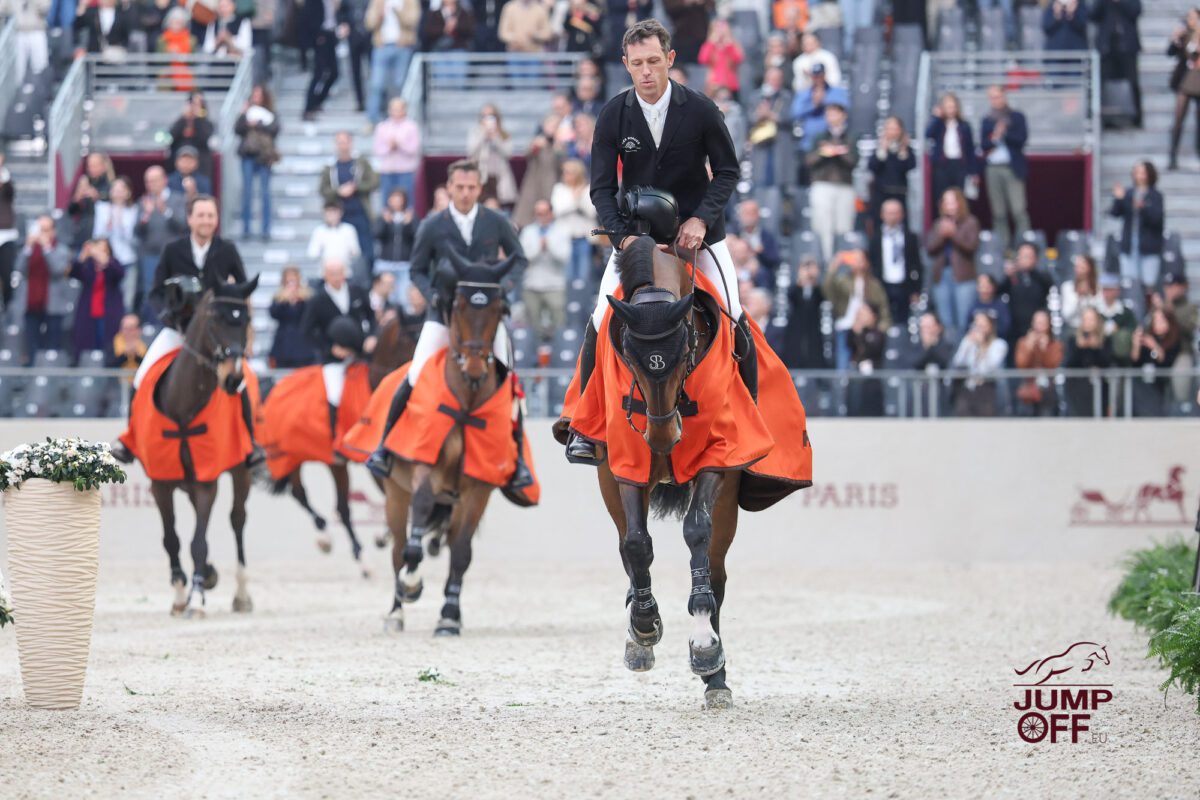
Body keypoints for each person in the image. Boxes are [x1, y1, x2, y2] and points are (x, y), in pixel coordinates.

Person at [567, 19, 742, 462]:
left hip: (699, 236)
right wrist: (622, 239)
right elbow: (601, 189)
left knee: (735, 316)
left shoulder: (701, 109)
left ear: (670, 60)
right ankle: (585, 429)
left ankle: (747, 410)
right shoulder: (613, 114)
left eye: (653, 62)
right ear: (625, 65)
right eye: (637, 64)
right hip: (637, 237)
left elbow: (727, 172)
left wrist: (702, 220)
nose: (646, 71)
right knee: (599, 317)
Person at [362, 159, 532, 491]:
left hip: (485, 319)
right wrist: (432, 296)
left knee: (510, 380)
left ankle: (520, 460)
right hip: (443, 315)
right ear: (449, 188)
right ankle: (384, 446)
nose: (466, 193)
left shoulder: (496, 221)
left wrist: (502, 289)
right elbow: (417, 270)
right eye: (460, 187)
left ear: (479, 189)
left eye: (471, 188)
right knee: (414, 374)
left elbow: (519, 259)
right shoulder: (432, 225)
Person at [318, 131, 380, 273]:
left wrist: (356, 187)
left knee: (366, 252)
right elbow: (323, 189)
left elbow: (374, 182)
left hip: (360, 212)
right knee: (340, 252)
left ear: (351, 143)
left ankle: (367, 281)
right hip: (339, 215)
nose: (343, 146)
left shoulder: (361, 163)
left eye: (345, 142)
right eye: (339, 142)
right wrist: (338, 191)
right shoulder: (330, 166)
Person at [979, 86, 1030, 257]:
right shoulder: (987, 120)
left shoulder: (1016, 117)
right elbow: (984, 145)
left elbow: (1021, 139)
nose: (996, 100)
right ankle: (1002, 250)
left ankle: (1024, 248)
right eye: (992, 97)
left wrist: (1004, 133)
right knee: (998, 212)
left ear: (1005, 97)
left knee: (1018, 210)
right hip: (993, 169)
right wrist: (995, 137)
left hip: (1011, 168)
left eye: (998, 96)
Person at [823, 249, 891, 370]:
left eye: (860, 259)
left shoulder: (874, 285)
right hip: (845, 327)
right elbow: (828, 291)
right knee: (843, 361)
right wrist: (834, 267)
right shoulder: (843, 281)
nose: (856, 262)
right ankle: (842, 384)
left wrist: (881, 328)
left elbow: (883, 307)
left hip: (867, 332)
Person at [15, 215, 71, 365]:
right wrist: (27, 248)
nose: (41, 234)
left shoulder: (61, 250)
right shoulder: (29, 249)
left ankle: (52, 377)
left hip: (52, 304)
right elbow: (19, 269)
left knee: (53, 345)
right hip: (31, 303)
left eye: (45, 230)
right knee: (32, 345)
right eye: (40, 229)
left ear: (53, 231)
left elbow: (57, 270)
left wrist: (47, 248)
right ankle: (34, 378)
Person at [134, 166, 187, 320]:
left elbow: (183, 226)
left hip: (173, 258)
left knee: (173, 291)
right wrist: (146, 215)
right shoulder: (143, 202)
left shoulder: (177, 199)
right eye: (148, 181)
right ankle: (152, 327)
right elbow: (137, 232)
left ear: (164, 180)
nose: (151, 185)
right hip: (150, 256)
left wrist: (165, 211)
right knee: (150, 292)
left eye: (154, 180)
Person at [805, 102, 856, 262]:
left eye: (835, 113)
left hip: (844, 185)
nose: (831, 117)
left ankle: (843, 262)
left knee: (843, 226)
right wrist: (823, 152)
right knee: (823, 226)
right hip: (822, 184)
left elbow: (853, 161)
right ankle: (825, 262)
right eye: (829, 114)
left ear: (843, 115)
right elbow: (809, 161)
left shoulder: (850, 137)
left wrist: (839, 152)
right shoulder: (820, 137)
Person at [926, 187, 980, 337]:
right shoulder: (938, 224)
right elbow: (929, 249)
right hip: (942, 276)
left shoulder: (970, 222)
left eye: (952, 201)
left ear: (960, 203)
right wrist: (943, 236)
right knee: (946, 322)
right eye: (946, 201)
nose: (949, 205)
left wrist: (954, 234)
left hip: (964, 278)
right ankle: (950, 358)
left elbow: (971, 247)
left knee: (963, 321)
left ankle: (963, 357)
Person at [302, 259, 377, 362]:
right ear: (325, 275)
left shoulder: (357, 291)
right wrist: (330, 348)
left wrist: (372, 337)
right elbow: (308, 330)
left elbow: (371, 316)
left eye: (339, 273)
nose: (337, 278)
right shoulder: (317, 300)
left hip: (361, 353)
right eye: (332, 274)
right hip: (332, 359)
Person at [518, 200, 571, 344]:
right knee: (533, 326)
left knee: (558, 323)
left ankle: (560, 356)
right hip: (532, 285)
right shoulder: (528, 231)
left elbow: (564, 256)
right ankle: (533, 359)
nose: (540, 216)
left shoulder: (562, 230)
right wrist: (538, 248)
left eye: (544, 213)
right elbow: (523, 257)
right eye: (538, 213)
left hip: (555, 285)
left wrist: (549, 246)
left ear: (551, 213)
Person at [233, 84, 279, 241]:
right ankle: (246, 229)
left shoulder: (270, 113)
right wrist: (243, 114)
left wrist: (258, 124)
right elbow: (237, 130)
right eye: (254, 94)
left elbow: (275, 129)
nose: (256, 97)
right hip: (248, 156)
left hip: (264, 157)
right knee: (247, 192)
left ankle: (266, 230)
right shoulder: (247, 112)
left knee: (265, 193)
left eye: (259, 94)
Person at [1109, 160, 1164, 289]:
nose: (1138, 175)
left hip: (1149, 246)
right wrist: (1119, 198)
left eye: (1142, 172)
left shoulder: (1155, 196)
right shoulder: (1128, 193)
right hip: (1129, 244)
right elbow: (1115, 213)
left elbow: (1156, 220)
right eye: (1136, 171)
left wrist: (1143, 208)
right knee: (1130, 283)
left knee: (1148, 284)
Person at [70, 238, 126, 362]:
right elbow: (73, 272)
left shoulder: (113, 264)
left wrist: (104, 261)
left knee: (107, 344)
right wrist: (82, 256)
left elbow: (119, 274)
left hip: (108, 313)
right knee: (87, 343)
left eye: (103, 250)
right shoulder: (88, 265)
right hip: (89, 313)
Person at [365, 0, 420, 125]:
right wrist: (380, 15)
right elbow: (369, 23)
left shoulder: (410, 2)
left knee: (399, 85)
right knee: (376, 84)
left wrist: (397, 12)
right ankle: (372, 120)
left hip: (403, 46)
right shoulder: (377, 1)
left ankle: (399, 120)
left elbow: (412, 21)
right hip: (381, 46)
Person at [868, 199, 922, 324]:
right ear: (882, 214)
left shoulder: (910, 237)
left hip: (904, 286)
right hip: (882, 285)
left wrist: (916, 290)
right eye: (889, 213)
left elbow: (917, 265)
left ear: (902, 214)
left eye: (896, 212)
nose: (892, 216)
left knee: (903, 322)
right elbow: (872, 264)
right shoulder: (875, 238)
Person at [1091, 0, 1142, 128]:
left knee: (1133, 82)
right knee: (1102, 83)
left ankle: (1137, 118)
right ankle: (1103, 118)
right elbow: (1093, 15)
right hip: (1107, 47)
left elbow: (1136, 11)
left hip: (1127, 45)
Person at [91, 177, 139, 303]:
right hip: (108, 260)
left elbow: (133, 238)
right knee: (107, 299)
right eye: (115, 189)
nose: (117, 192)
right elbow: (97, 235)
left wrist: (120, 223)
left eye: (121, 189)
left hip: (128, 259)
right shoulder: (101, 208)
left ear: (128, 193)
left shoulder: (134, 210)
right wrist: (109, 224)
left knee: (127, 299)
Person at [924, 93, 976, 209]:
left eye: (953, 106)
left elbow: (970, 149)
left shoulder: (964, 126)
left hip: (959, 165)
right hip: (942, 165)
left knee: (960, 195)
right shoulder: (938, 124)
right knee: (941, 195)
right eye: (948, 106)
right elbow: (928, 134)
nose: (951, 110)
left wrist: (973, 172)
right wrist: (936, 117)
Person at [951, 311, 1008, 417]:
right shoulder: (970, 342)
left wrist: (982, 346)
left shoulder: (999, 345)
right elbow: (958, 362)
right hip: (968, 389)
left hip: (987, 389)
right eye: (977, 325)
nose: (979, 329)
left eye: (983, 325)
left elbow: (989, 367)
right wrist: (967, 343)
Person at [550, 159, 598, 284]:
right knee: (567, 275)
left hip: (584, 238)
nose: (565, 175)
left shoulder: (588, 189)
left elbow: (591, 211)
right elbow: (557, 210)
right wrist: (575, 199)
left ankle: (584, 301)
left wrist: (577, 201)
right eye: (565, 172)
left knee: (585, 275)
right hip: (565, 238)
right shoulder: (559, 189)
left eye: (569, 172)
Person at [301, 0, 350, 120]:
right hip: (320, 37)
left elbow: (339, 14)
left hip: (331, 36)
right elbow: (307, 19)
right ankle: (308, 107)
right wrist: (316, 36)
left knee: (334, 73)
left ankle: (318, 102)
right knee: (319, 73)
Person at [747, 66, 794, 189]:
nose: (775, 82)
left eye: (778, 79)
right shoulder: (756, 97)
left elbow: (791, 118)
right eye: (772, 79)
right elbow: (749, 118)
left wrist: (772, 115)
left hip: (779, 142)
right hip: (761, 143)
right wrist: (759, 115)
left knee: (779, 181)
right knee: (760, 180)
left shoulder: (786, 97)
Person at [1130, 307, 1181, 416]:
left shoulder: (1173, 340)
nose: (1158, 324)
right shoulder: (1148, 338)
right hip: (1143, 383)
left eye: (1161, 320)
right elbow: (1135, 362)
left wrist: (1154, 346)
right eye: (1156, 320)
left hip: (1162, 384)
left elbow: (1166, 361)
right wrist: (1136, 345)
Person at [998, 242, 1052, 343]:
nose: (1025, 259)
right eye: (1023, 256)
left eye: (1029, 256)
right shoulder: (1012, 277)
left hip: (1037, 328)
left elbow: (1049, 285)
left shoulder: (1041, 277)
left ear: (1035, 258)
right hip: (1015, 329)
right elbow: (997, 291)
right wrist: (1007, 276)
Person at [790, 63, 850, 155]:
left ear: (825, 75)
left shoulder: (837, 92)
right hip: (807, 144)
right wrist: (813, 105)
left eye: (820, 76)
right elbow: (794, 113)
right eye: (815, 76)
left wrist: (824, 102)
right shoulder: (804, 94)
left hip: (831, 143)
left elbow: (843, 110)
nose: (817, 79)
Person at [868, 116, 916, 226]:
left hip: (899, 192)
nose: (892, 132)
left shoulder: (906, 149)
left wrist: (903, 152)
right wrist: (882, 151)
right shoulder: (879, 148)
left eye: (895, 129)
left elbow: (911, 166)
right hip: (881, 193)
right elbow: (872, 167)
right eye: (889, 128)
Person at [1063, 306, 1111, 415]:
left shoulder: (1105, 340)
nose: (1088, 323)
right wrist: (1080, 348)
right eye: (1086, 319)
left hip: (1099, 391)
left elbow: (1106, 363)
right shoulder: (1073, 340)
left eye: (1091, 319)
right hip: (1077, 391)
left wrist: (1095, 348)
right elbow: (1069, 364)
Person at [467, 104, 518, 209]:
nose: (487, 119)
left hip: (499, 178)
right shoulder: (476, 133)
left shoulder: (504, 134)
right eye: (484, 116)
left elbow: (508, 153)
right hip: (481, 178)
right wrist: (483, 135)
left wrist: (495, 138)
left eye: (491, 116)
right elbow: (471, 152)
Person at [1014, 309, 1063, 416]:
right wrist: (1028, 348)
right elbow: (1021, 365)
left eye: (1042, 324)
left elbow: (1053, 366)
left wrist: (1045, 350)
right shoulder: (1023, 343)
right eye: (1037, 323)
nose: (1039, 328)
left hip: (1047, 390)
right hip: (1028, 388)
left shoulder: (1055, 345)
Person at [781, 256, 827, 369]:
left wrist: (814, 280)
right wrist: (801, 280)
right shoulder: (795, 290)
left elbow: (822, 297)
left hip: (813, 331)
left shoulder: (817, 291)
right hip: (796, 330)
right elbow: (792, 297)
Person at [1168, 11, 1200, 170]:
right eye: (1189, 18)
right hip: (1186, 80)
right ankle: (1172, 155)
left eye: (1194, 18)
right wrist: (1175, 40)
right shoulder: (1184, 35)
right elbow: (1169, 53)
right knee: (1178, 119)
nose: (1191, 21)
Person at [372, 98, 421, 202]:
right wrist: (389, 147)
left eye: (399, 109)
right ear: (389, 110)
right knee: (386, 202)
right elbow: (378, 150)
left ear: (405, 110)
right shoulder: (382, 127)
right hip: (387, 171)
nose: (396, 112)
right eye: (394, 109)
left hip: (406, 171)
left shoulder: (411, 126)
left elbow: (414, 149)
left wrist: (399, 145)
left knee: (407, 201)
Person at [269, 265, 317, 367]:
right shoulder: (278, 296)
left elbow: (311, 316)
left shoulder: (308, 296)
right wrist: (283, 301)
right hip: (283, 345)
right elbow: (273, 314)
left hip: (304, 344)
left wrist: (302, 299)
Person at [66, 153, 114, 251]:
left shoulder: (110, 184)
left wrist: (97, 196)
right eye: (90, 166)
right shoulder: (84, 182)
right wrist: (77, 197)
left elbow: (113, 201)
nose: (92, 169)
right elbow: (70, 211)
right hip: (83, 233)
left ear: (104, 166)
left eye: (95, 165)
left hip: (102, 236)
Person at [375, 188, 418, 298]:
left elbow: (417, 237)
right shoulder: (383, 216)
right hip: (386, 263)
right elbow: (376, 235)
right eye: (393, 199)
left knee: (404, 296)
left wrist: (409, 224)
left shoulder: (411, 216)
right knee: (386, 296)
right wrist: (385, 222)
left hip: (404, 264)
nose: (396, 202)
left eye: (399, 199)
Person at [1, 0, 51, 84]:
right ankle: (21, 92)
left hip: (36, 30)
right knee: (19, 69)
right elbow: (2, 8)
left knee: (40, 65)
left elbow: (45, 9)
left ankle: (41, 91)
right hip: (18, 33)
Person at [168, 93, 215, 178]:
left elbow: (204, 138)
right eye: (192, 104)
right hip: (179, 166)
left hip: (201, 166)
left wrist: (197, 118)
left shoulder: (206, 124)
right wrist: (184, 118)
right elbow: (171, 137)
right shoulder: (180, 121)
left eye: (198, 104)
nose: (194, 107)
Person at [308, 201, 363, 270]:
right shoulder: (319, 231)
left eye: (334, 212)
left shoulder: (349, 230)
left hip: (345, 272)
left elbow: (356, 253)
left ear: (340, 213)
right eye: (328, 212)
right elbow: (312, 254)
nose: (331, 215)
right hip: (325, 273)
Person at [698, 18, 744, 97]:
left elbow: (738, 59)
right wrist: (711, 43)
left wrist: (729, 44)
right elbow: (702, 60)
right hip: (713, 85)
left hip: (731, 85)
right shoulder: (709, 45)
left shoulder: (733, 45)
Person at [661, 0, 712, 64]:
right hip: (682, 37)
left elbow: (711, 6)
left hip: (701, 37)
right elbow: (670, 8)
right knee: (679, 67)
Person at [1059, 253, 1099, 330]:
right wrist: (1079, 297)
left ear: (1090, 268)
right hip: (1073, 328)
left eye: (1082, 267)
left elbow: (1100, 312)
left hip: (1094, 329)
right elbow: (1066, 315)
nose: (1079, 270)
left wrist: (1088, 295)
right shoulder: (1067, 287)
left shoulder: (1098, 288)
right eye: (1077, 267)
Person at [967, 273, 1012, 340]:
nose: (984, 290)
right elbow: (967, 326)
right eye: (982, 286)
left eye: (987, 286)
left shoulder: (1000, 305)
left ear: (993, 287)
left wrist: (988, 332)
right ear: (977, 288)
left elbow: (1006, 327)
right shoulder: (974, 305)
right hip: (977, 340)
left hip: (995, 340)